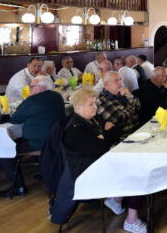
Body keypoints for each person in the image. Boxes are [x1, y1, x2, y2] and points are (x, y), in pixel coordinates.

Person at [63, 88, 146, 233]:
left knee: (137, 162)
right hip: (87, 174)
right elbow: (100, 146)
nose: (96, 107)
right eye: (91, 104)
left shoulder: (90, 119)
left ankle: (116, 199)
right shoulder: (74, 129)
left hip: (99, 162)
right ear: (79, 107)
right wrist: (106, 135)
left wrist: (105, 136)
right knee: (136, 171)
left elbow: (114, 130)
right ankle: (131, 221)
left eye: (95, 103)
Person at [0, 75, 65, 198]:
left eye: (32, 87)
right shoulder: (57, 96)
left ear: (42, 87)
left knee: (4, 149)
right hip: (56, 140)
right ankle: (45, 171)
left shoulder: (33, 100)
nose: (29, 89)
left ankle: (18, 186)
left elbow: (15, 118)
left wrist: (27, 100)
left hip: (39, 143)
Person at [96, 71, 141, 139]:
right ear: (105, 84)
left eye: (120, 79)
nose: (120, 83)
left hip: (138, 130)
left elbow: (139, 107)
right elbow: (121, 118)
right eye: (116, 80)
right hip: (124, 137)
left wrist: (130, 96)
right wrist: (131, 103)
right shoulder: (103, 100)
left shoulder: (121, 93)